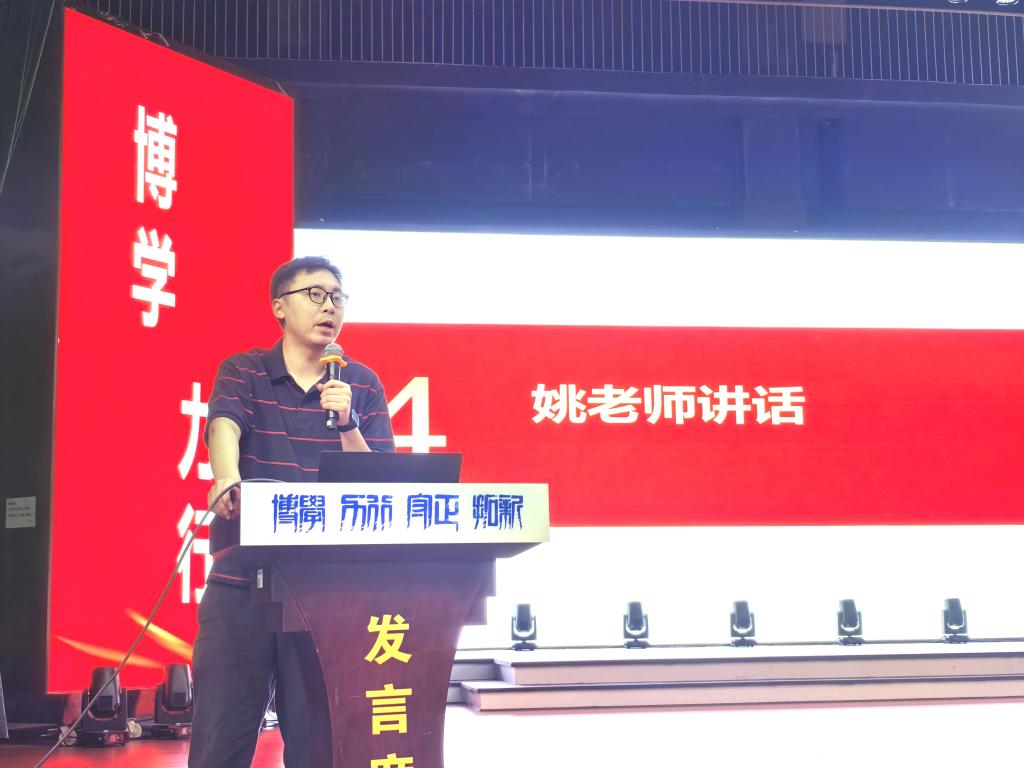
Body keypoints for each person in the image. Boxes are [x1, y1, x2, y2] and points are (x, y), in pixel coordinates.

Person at [188, 256, 395, 768]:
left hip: (326, 593)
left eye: (338, 298)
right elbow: (224, 425)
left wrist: (347, 423)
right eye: (315, 295)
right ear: (279, 306)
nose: (330, 307)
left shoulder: (361, 383)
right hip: (242, 584)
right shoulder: (246, 370)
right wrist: (225, 475)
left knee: (318, 744)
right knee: (220, 740)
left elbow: (380, 485)